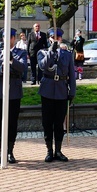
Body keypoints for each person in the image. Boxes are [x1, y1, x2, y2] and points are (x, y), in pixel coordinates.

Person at [38, 28, 76, 162]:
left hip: (61, 90)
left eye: (57, 37)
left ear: (60, 38)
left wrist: (72, 92)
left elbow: (72, 74)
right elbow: (43, 66)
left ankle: (58, 150)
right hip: (47, 90)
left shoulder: (67, 54)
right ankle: (49, 151)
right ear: (49, 38)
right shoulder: (42, 52)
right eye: (52, 37)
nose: (55, 39)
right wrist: (51, 51)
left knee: (59, 123)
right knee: (47, 122)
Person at [0, 28, 27, 164]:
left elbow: (23, 68)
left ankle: (10, 151)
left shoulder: (20, 52)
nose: (7, 40)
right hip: (0, 90)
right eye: (5, 37)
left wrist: (11, 60)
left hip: (14, 90)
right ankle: (1, 151)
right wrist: (2, 69)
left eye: (10, 37)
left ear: (14, 38)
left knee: (12, 122)